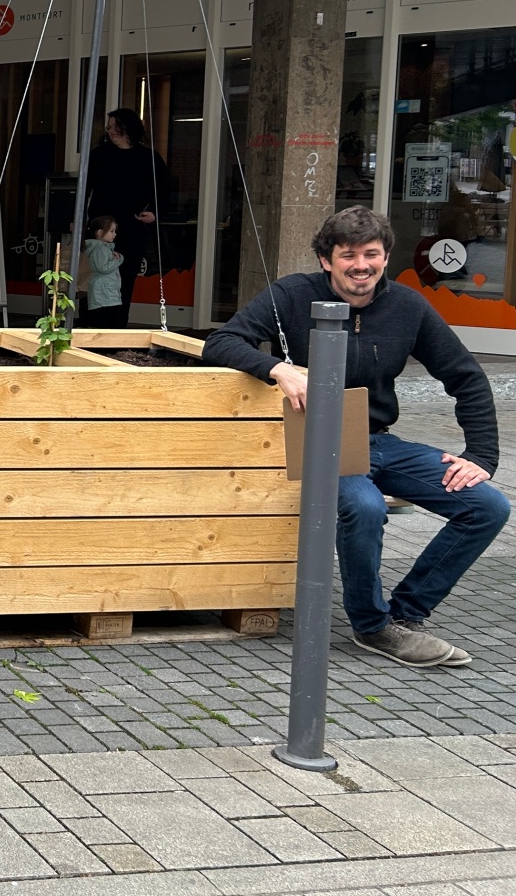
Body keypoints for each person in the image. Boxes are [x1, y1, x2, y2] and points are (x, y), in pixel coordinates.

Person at [203, 206, 506, 668]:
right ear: (327, 260)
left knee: (488, 506)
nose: (361, 265)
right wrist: (278, 368)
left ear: (385, 257)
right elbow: (221, 343)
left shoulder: (408, 306)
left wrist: (481, 455)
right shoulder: (291, 295)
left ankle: (404, 615)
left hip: (378, 440)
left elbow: (466, 377)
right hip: (313, 438)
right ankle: (370, 626)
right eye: (348, 255)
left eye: (372, 253)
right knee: (363, 506)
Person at [83, 107, 171, 316]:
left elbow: (164, 189)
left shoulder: (149, 158)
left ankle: (117, 328)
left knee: (125, 276)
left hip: (132, 227)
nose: (111, 131)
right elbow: (83, 188)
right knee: (96, 275)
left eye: (115, 127)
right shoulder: (98, 155)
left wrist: (155, 213)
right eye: (109, 127)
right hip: (100, 227)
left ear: (128, 128)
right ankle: (91, 324)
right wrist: (77, 217)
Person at [76, 215, 126, 328]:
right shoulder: (100, 248)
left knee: (103, 321)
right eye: (112, 231)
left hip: (105, 292)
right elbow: (103, 268)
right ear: (100, 232)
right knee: (103, 323)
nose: (115, 234)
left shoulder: (103, 248)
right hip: (104, 293)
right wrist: (119, 259)